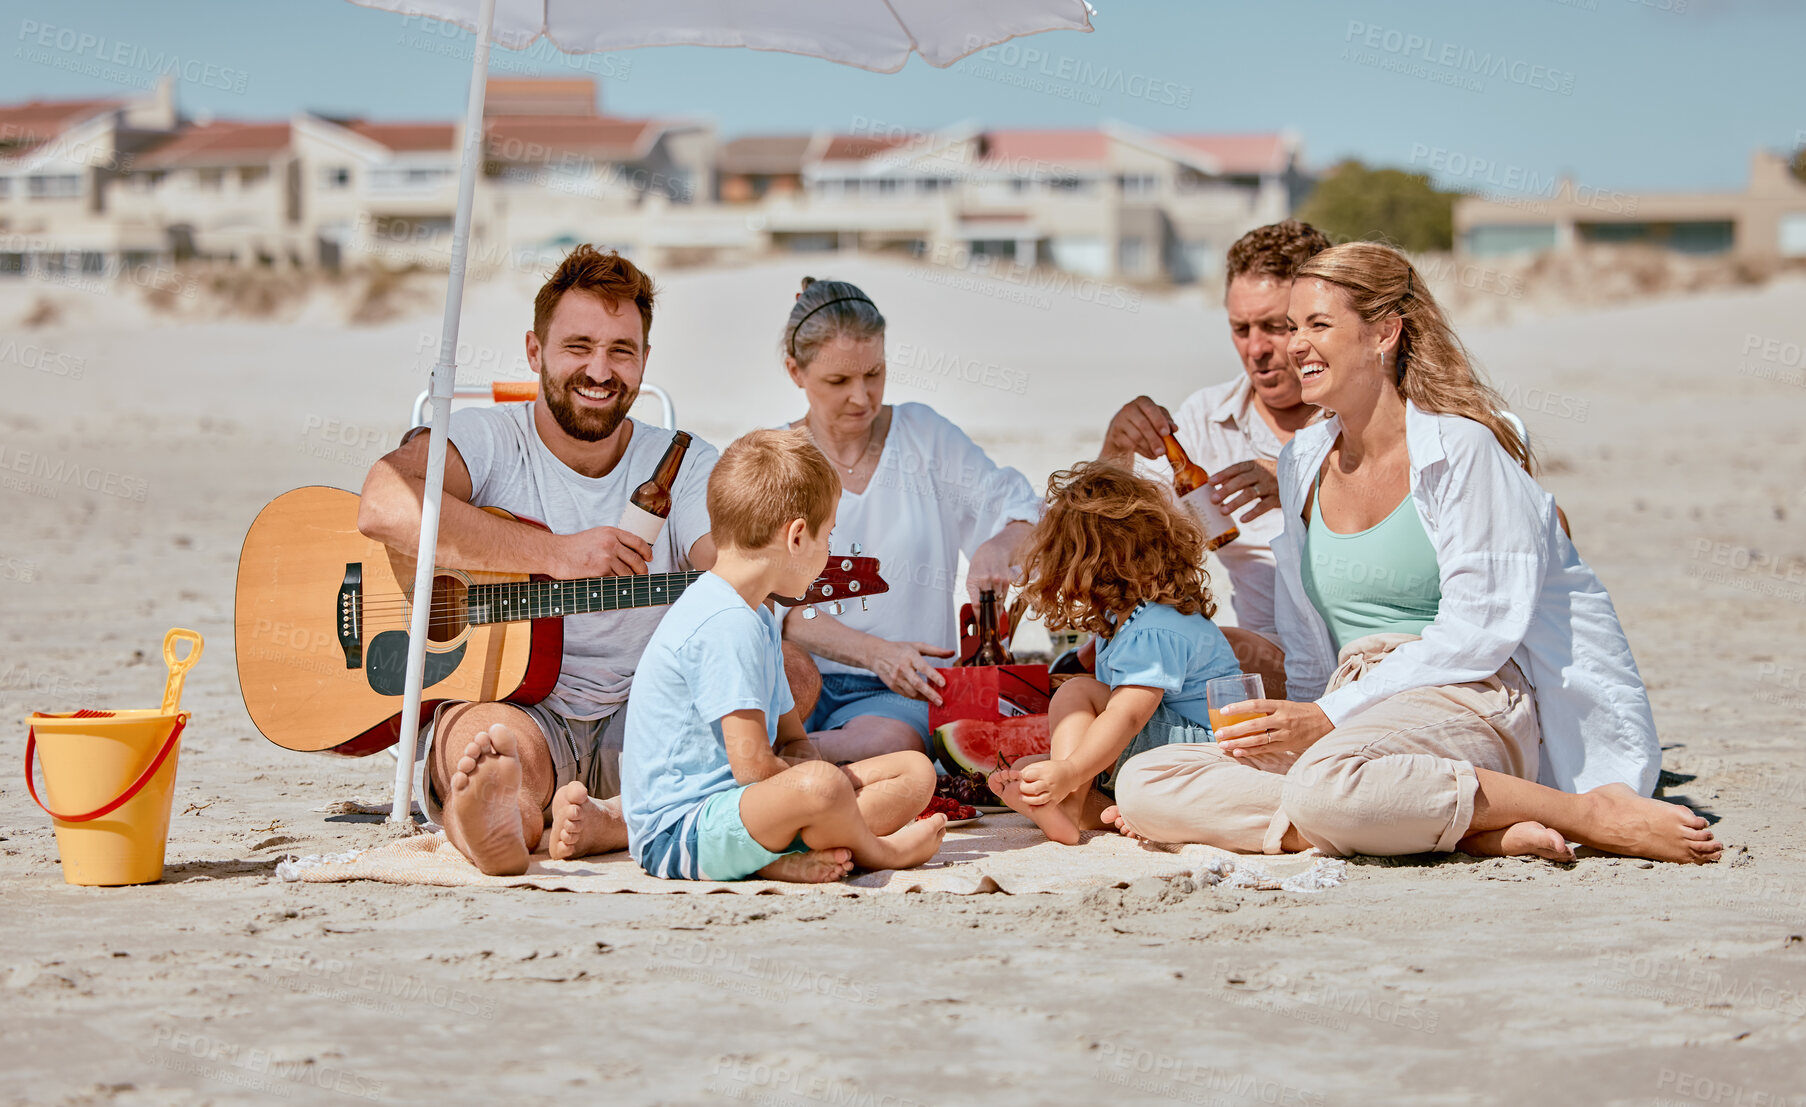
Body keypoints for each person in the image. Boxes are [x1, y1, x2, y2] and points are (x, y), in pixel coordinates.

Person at [1107, 243, 1722, 865]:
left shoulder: (1463, 448)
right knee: (1146, 782)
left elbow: (1477, 635)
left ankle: (1587, 813)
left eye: (1316, 325)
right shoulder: (1302, 461)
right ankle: (1469, 828)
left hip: (1466, 694)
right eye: (1291, 327)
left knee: (1329, 785)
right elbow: (1308, 631)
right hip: (1353, 701)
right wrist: (1307, 711)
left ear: (1384, 332)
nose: (1294, 345)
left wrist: (1323, 717)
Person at [358, 245, 719, 876]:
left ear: (644, 361)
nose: (600, 371)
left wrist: (763, 565)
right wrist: (554, 553)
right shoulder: (490, 439)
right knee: (488, 745)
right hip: (519, 701)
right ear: (535, 352)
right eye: (578, 346)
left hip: (645, 706)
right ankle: (509, 819)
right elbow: (384, 504)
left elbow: (722, 557)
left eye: (620, 351)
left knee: (790, 672)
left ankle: (573, 822)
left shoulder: (684, 462)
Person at [617, 428, 947, 882]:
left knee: (913, 771)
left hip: (742, 810)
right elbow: (753, 766)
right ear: (796, 538)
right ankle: (876, 852)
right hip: (682, 835)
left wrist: (812, 778)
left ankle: (791, 851)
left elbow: (792, 740)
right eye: (827, 537)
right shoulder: (724, 622)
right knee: (825, 785)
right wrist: (821, 785)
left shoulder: (755, 616)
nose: (828, 551)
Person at [776, 277, 1043, 763]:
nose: (862, 398)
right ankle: (786, 758)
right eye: (839, 382)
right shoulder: (777, 459)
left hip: (901, 696)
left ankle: (773, 763)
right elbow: (773, 609)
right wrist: (878, 652)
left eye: (873, 374)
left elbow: (1021, 508)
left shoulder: (925, 436)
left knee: (893, 744)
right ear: (795, 371)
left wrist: (998, 547)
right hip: (794, 684)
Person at [1098, 220, 1334, 694]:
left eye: (1274, 327)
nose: (1257, 349)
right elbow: (1113, 542)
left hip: (1371, 652)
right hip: (1266, 659)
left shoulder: (1365, 409)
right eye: (1240, 329)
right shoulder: (1205, 421)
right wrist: (1116, 451)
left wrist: (1301, 483)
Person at [987, 463, 1241, 845]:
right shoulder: (1125, 617)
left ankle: (1069, 807)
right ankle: (1094, 812)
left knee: (1076, 693)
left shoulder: (1155, 626)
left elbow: (1127, 714)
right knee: (1028, 772)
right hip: (1163, 746)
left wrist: (1071, 770)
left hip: (1205, 751)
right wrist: (1064, 770)